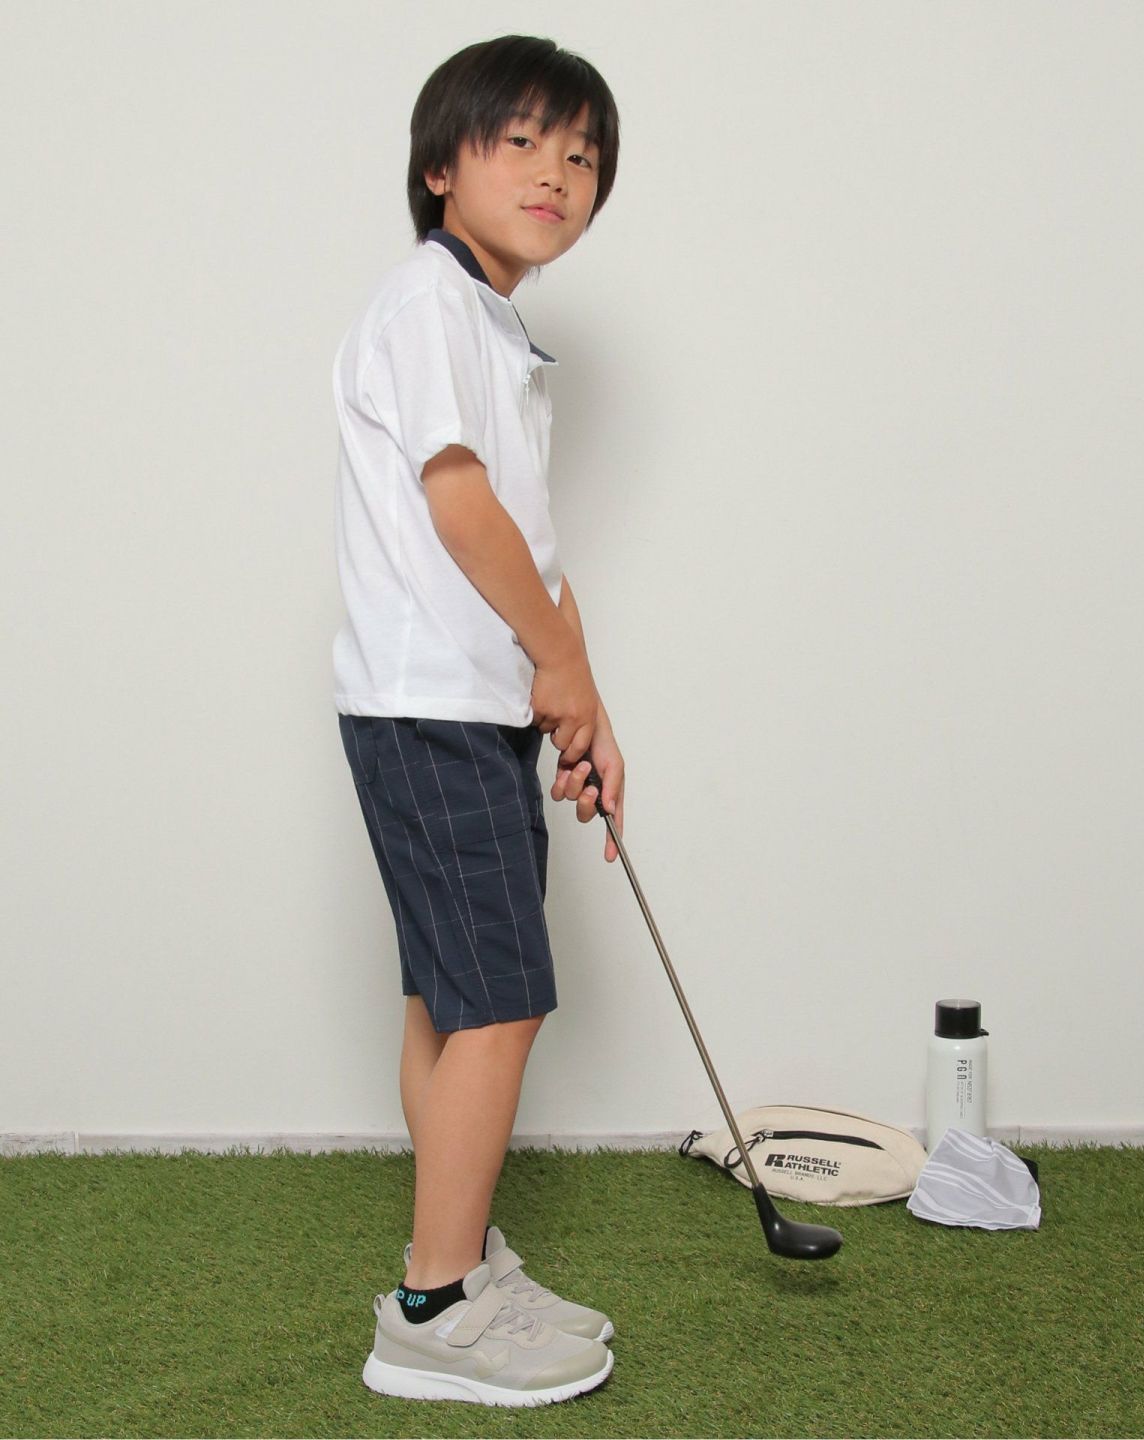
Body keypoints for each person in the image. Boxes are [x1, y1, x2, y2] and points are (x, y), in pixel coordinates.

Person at [331, 35, 625, 1406]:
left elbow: (534, 547)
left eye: (582, 154)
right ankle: (435, 1309)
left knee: (449, 1002)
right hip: (433, 706)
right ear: (440, 166)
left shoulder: (490, 324)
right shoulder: (430, 304)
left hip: (462, 705)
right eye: (521, 141)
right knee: (500, 1001)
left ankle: (455, 1262)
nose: (557, 170)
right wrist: (553, 668)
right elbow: (462, 511)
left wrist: (584, 698)